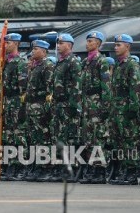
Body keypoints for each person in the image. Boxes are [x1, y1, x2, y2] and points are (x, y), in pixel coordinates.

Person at [108, 34, 140, 185]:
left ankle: (132, 172)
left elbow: (135, 89)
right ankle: (123, 170)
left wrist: (133, 109)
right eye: (115, 45)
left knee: (130, 141)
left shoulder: (131, 65)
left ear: (127, 47)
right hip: (117, 109)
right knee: (119, 142)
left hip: (126, 110)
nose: (116, 48)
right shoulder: (118, 65)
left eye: (119, 45)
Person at [79, 31, 112, 184]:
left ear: (98, 44)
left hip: (97, 103)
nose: (88, 44)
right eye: (87, 41)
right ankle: (91, 168)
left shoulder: (102, 61)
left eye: (91, 41)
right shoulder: (86, 62)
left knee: (98, 138)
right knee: (88, 138)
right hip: (87, 104)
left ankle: (100, 171)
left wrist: (105, 107)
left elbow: (106, 86)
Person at [51, 34, 82, 182]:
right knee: (60, 138)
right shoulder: (60, 62)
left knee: (71, 137)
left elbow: (76, 86)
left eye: (61, 43)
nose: (58, 45)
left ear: (69, 45)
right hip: (59, 105)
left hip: (68, 105)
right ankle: (62, 168)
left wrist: (74, 106)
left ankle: (73, 169)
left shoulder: (73, 62)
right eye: (58, 43)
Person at [24, 40, 54, 182]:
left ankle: (45, 168)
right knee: (34, 138)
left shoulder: (47, 66)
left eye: (36, 49)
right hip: (31, 107)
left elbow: (49, 89)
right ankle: (37, 165)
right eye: (33, 49)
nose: (33, 52)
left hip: (40, 107)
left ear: (44, 51)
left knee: (44, 139)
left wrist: (46, 109)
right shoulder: (34, 66)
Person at [1, 33, 28, 181]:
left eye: (9, 43)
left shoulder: (20, 62)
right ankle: (11, 163)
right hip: (9, 101)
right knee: (9, 135)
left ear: (16, 44)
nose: (6, 45)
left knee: (19, 135)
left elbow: (23, 87)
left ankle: (21, 165)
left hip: (17, 101)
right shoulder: (6, 62)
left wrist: (22, 106)